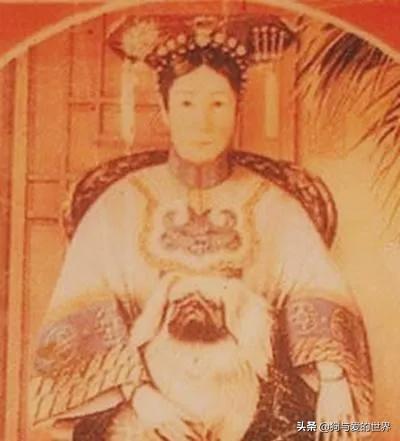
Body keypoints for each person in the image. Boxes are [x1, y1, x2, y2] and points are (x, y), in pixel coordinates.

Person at [29, 15, 373, 441]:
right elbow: (82, 308)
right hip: (136, 411)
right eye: (187, 104)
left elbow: (316, 287)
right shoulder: (117, 205)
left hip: (258, 415)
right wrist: (141, 398)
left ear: (237, 109)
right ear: (164, 110)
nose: (202, 122)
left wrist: (333, 378)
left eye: (218, 104)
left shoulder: (275, 206)